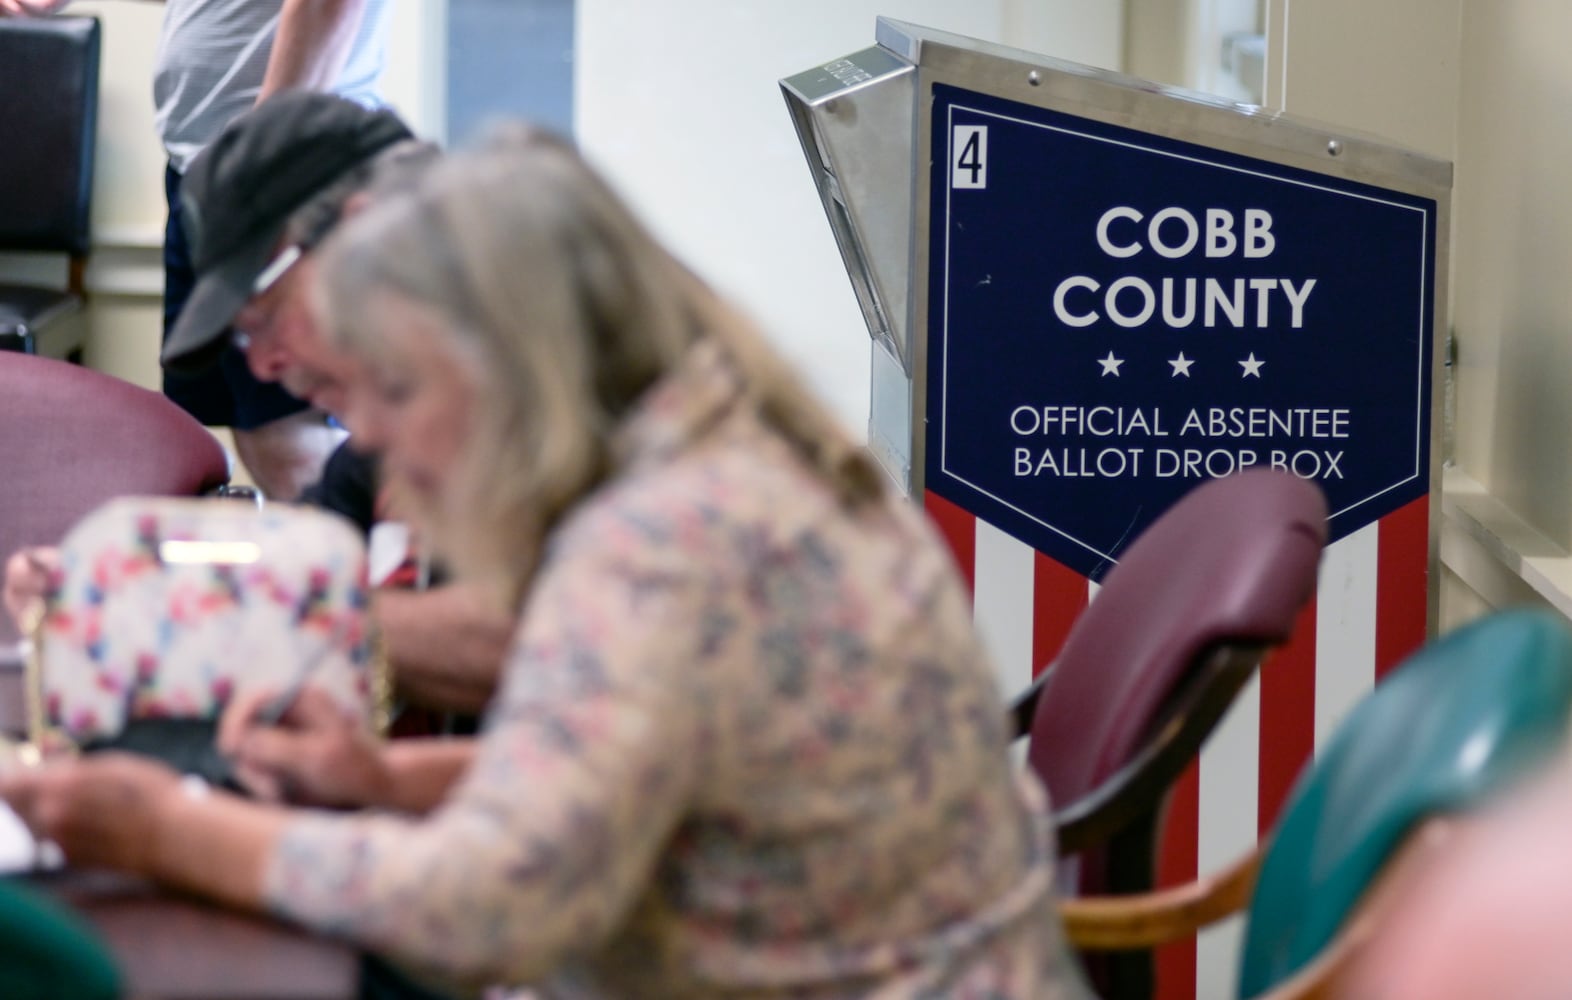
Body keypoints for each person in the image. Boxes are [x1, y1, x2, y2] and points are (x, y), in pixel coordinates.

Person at [0, 127, 1090, 999]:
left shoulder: (670, 540)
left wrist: (167, 829)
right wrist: (381, 780)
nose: (369, 432)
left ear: (508, 370)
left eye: (400, 386)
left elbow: (489, 907)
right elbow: (628, 781)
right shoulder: (725, 461)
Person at [2, 92, 512, 715]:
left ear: (362, 235)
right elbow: (291, 566)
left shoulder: (560, 403)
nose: (264, 364)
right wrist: (107, 583)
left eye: (265, 315)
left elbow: (534, 648)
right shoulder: (371, 465)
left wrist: (182, 603)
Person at [0, 0, 393, 501]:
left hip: (285, 173)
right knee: (256, 429)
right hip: (208, 173)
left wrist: (263, 148)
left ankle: (378, 550)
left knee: (296, 433)